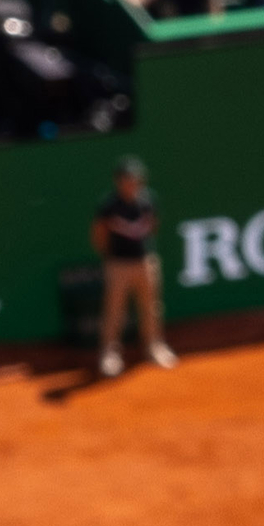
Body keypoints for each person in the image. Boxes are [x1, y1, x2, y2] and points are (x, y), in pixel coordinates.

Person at [90, 158, 173, 380]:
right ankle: (109, 354)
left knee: (151, 308)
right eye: (128, 179)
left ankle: (154, 348)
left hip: (145, 262)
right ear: (119, 181)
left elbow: (153, 226)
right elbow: (99, 234)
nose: (133, 183)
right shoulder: (109, 206)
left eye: (136, 179)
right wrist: (110, 257)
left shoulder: (149, 201)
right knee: (114, 310)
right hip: (118, 265)